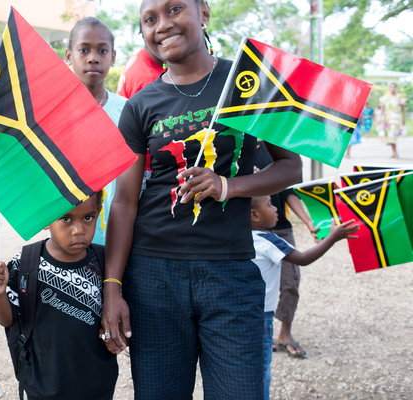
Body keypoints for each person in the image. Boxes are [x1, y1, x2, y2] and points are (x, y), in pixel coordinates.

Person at [101, 0, 302, 399]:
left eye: (175, 9)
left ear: (204, 12)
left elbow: (291, 168)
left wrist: (227, 186)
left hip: (230, 274)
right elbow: (124, 202)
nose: (163, 25)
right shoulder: (142, 104)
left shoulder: (249, 83)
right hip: (153, 278)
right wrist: (113, 287)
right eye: (150, 19)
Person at [0, 191, 118, 400]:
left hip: (97, 384)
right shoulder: (26, 263)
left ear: (98, 212)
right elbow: (7, 319)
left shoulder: (105, 262)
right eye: (65, 219)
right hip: (44, 385)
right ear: (46, 219)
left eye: (88, 217)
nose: (78, 230)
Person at [250, 195, 358, 400]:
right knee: (261, 370)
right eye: (270, 205)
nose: (276, 209)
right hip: (261, 318)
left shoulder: (236, 237)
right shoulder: (269, 241)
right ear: (254, 214)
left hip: (237, 313)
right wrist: (332, 237)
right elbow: (303, 258)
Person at [64, 16, 127, 245]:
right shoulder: (53, 113)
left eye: (102, 51)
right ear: (69, 55)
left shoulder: (128, 110)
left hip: (119, 235)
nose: (93, 58)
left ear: (113, 56)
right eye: (84, 50)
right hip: (70, 238)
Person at [254, 142, 318, 357]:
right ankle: (262, 331)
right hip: (251, 228)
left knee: (290, 281)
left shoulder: (285, 144)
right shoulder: (241, 144)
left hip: (280, 226)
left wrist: (308, 222)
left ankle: (285, 333)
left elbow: (290, 192)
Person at [378, 82, 407, 158]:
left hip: (396, 119)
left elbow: (403, 109)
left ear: (396, 88)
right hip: (387, 120)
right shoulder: (386, 98)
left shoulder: (399, 98)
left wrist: (404, 119)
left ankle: (395, 152)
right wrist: (380, 118)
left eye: (394, 87)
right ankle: (394, 152)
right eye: (391, 87)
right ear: (389, 88)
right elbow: (382, 109)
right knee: (389, 136)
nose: (392, 89)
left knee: (393, 135)